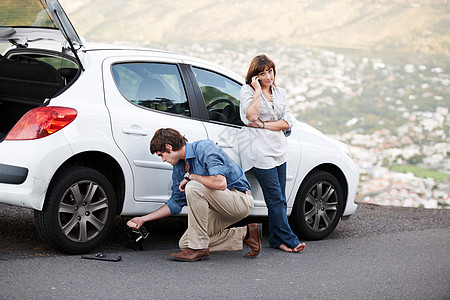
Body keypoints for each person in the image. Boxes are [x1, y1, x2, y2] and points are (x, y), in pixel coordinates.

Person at [127, 128, 262, 262]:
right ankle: (246, 233)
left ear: (168, 146)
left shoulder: (204, 148)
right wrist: (143, 219)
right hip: (218, 208)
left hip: (239, 199)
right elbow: (175, 203)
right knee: (186, 243)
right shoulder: (179, 168)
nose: (163, 160)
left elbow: (220, 183)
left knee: (193, 186)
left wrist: (191, 176)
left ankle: (199, 249)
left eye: (161, 154)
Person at [239, 54, 306, 253]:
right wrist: (258, 91)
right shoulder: (247, 91)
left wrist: (263, 125)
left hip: (279, 150)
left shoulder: (280, 92)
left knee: (281, 198)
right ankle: (290, 239)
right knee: (275, 197)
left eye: (270, 71)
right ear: (255, 76)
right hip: (258, 151)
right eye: (262, 73)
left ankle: (277, 238)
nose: (268, 76)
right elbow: (251, 115)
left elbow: (287, 122)